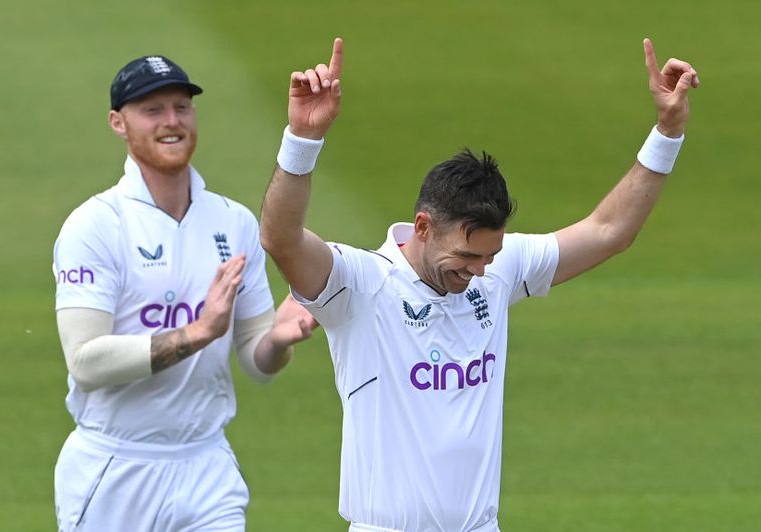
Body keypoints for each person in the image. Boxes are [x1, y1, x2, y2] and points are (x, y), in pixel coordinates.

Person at [260, 37, 699, 531]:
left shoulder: (497, 271)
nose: (480, 271)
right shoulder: (360, 286)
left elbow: (609, 231)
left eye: (490, 255)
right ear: (422, 227)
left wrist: (668, 130)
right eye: (467, 255)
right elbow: (281, 238)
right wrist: (302, 139)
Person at [52, 54, 317, 531]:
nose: (172, 121)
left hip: (205, 466)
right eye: (152, 110)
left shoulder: (233, 222)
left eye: (181, 107)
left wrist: (279, 339)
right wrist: (197, 333)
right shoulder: (95, 226)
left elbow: (257, 363)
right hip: (115, 469)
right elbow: (86, 363)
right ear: (118, 122)